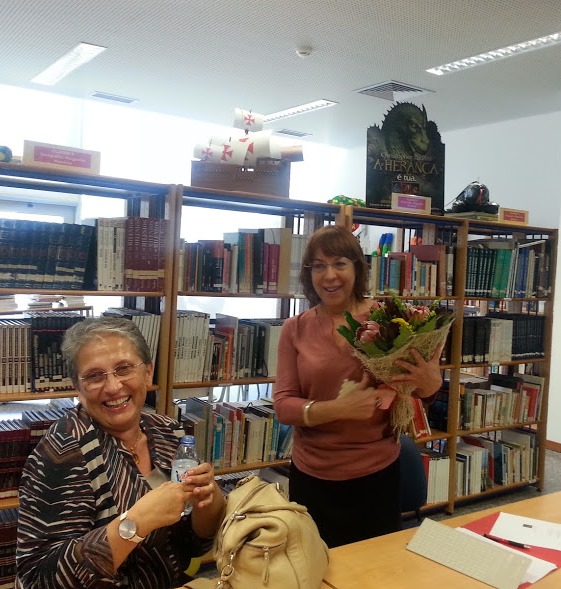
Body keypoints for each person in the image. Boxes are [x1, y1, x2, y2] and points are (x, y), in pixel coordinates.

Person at [16, 317, 225, 589]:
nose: (113, 387)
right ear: (77, 388)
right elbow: (38, 579)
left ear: (148, 373)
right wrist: (135, 523)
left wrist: (208, 503)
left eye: (124, 369)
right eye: (94, 376)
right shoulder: (62, 452)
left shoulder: (169, 433)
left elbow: (186, 546)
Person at [273, 225, 444, 548]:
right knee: (314, 570)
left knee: (374, 571)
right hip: (312, 476)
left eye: (339, 264)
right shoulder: (294, 329)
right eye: (319, 266)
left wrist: (430, 383)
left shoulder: (388, 318)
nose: (329, 276)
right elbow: (283, 406)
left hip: (375, 475)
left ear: (357, 267)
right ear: (308, 274)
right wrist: (338, 409)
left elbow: (422, 388)